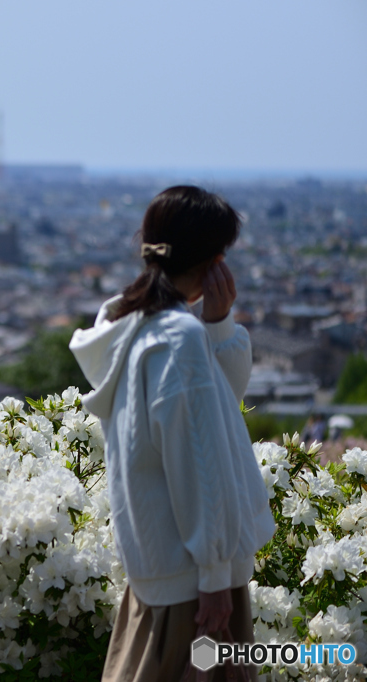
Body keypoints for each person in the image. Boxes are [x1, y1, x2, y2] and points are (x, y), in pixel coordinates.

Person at [69, 186, 275, 681]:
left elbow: (214, 405)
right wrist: (214, 577)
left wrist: (219, 323)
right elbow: (200, 458)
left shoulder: (132, 324)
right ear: (214, 258)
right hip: (196, 584)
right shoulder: (178, 338)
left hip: (157, 567)